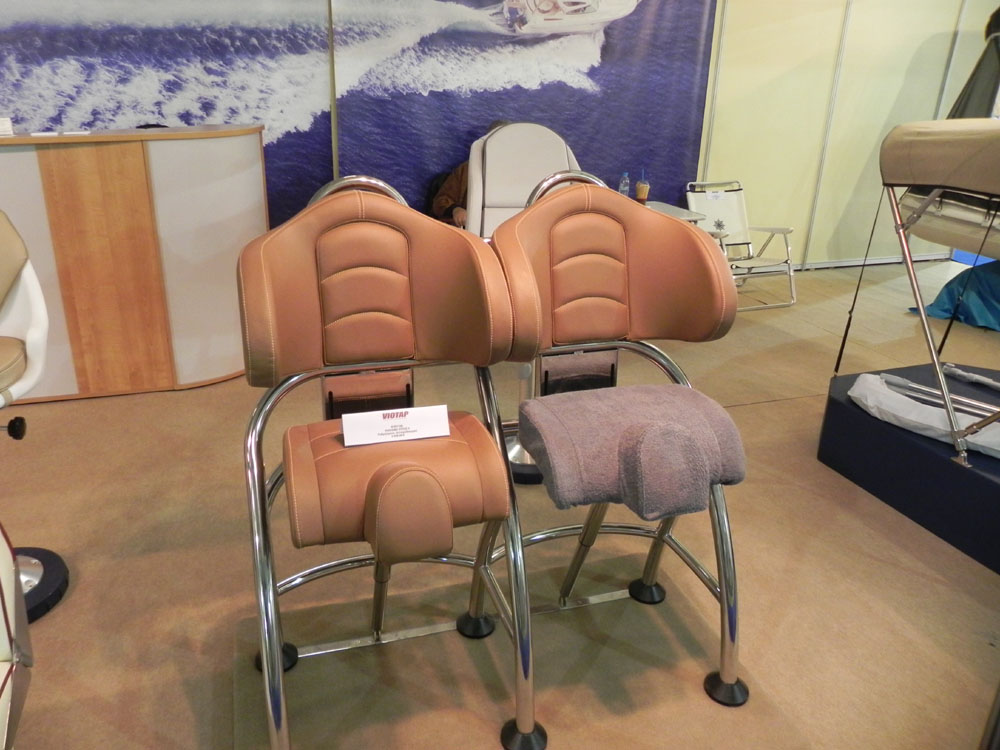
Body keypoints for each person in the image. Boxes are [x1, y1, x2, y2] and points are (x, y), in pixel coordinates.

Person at [430, 120, 511, 229]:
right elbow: (440, 201)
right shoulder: (467, 169)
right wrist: (456, 210)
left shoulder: (523, 174)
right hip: (472, 230)